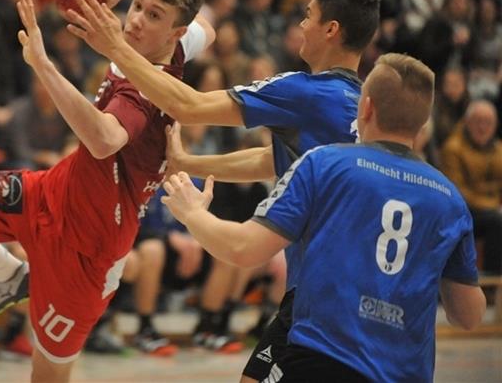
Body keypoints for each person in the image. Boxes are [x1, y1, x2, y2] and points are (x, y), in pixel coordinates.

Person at [0, 0, 213, 382]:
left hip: (88, 248)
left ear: (174, 33)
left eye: (153, 16)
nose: (134, 20)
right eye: (137, 6)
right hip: (51, 191)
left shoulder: (147, 88)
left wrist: (43, 66)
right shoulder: (176, 44)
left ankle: (10, 277)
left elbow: (103, 139)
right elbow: (209, 27)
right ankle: (5, 272)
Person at [66, 0, 380, 383]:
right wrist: (190, 164)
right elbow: (272, 160)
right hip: (357, 286)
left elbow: (190, 106)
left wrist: (117, 49)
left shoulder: (307, 91)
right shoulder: (355, 104)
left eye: (308, 14)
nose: (300, 25)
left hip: (323, 292)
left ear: (331, 29)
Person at [160, 53, 486, 381]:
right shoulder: (449, 199)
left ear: (366, 108)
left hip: (322, 358)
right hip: (405, 372)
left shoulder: (325, 164)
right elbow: (468, 315)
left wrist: (192, 213)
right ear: (421, 123)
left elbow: (243, 248)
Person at [441, 100, 502, 275]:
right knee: (497, 221)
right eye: (478, 121)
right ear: (467, 122)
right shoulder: (453, 148)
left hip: (491, 209)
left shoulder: (499, 150)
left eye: (488, 123)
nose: (483, 128)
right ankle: (492, 278)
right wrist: (494, 204)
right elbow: (459, 193)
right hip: (463, 212)